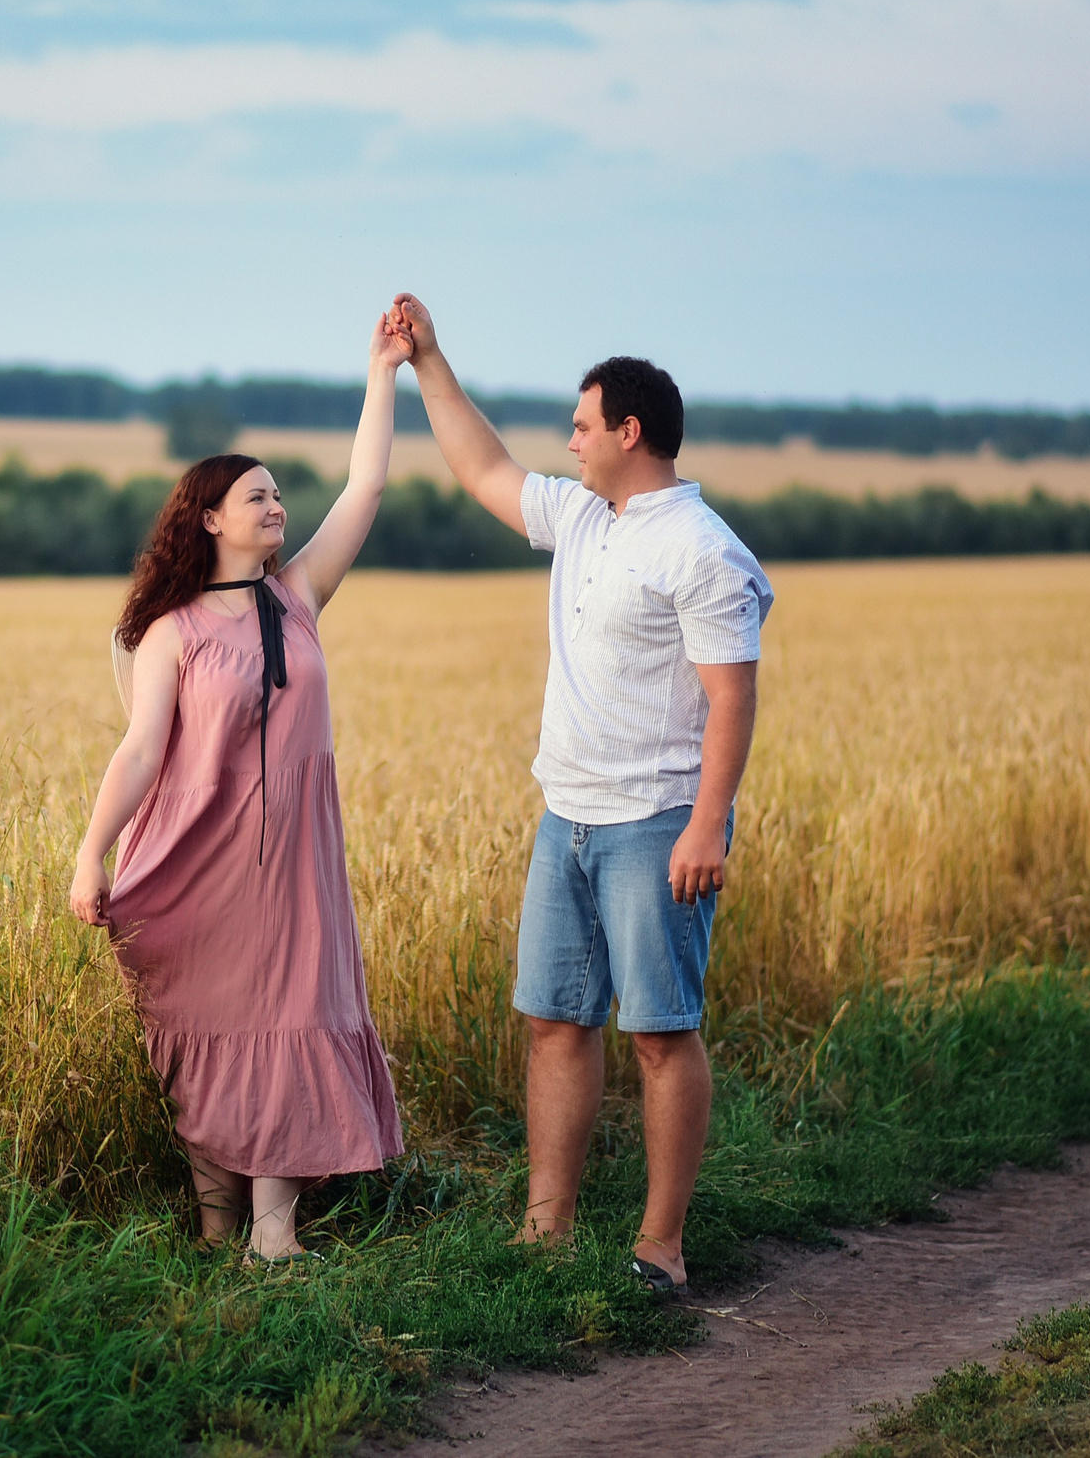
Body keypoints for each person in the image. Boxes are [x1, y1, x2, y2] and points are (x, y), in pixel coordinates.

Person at [393, 292, 770, 1299]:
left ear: (628, 432)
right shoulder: (579, 516)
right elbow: (480, 465)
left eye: (580, 423)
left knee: (658, 1031)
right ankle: (544, 1227)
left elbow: (732, 698)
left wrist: (704, 822)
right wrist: (427, 358)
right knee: (556, 1020)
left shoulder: (701, 548)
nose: (566, 439)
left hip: (655, 822)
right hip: (564, 814)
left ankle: (661, 1244)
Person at [69, 313, 413, 1263]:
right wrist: (89, 853)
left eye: (277, 495)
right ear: (209, 517)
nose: (277, 506)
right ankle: (217, 1222)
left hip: (294, 858)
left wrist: (383, 371)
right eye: (256, 496)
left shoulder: (297, 597)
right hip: (201, 858)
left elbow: (368, 484)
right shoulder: (173, 630)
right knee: (208, 1027)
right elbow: (141, 750)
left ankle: (274, 1231)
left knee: (290, 1019)